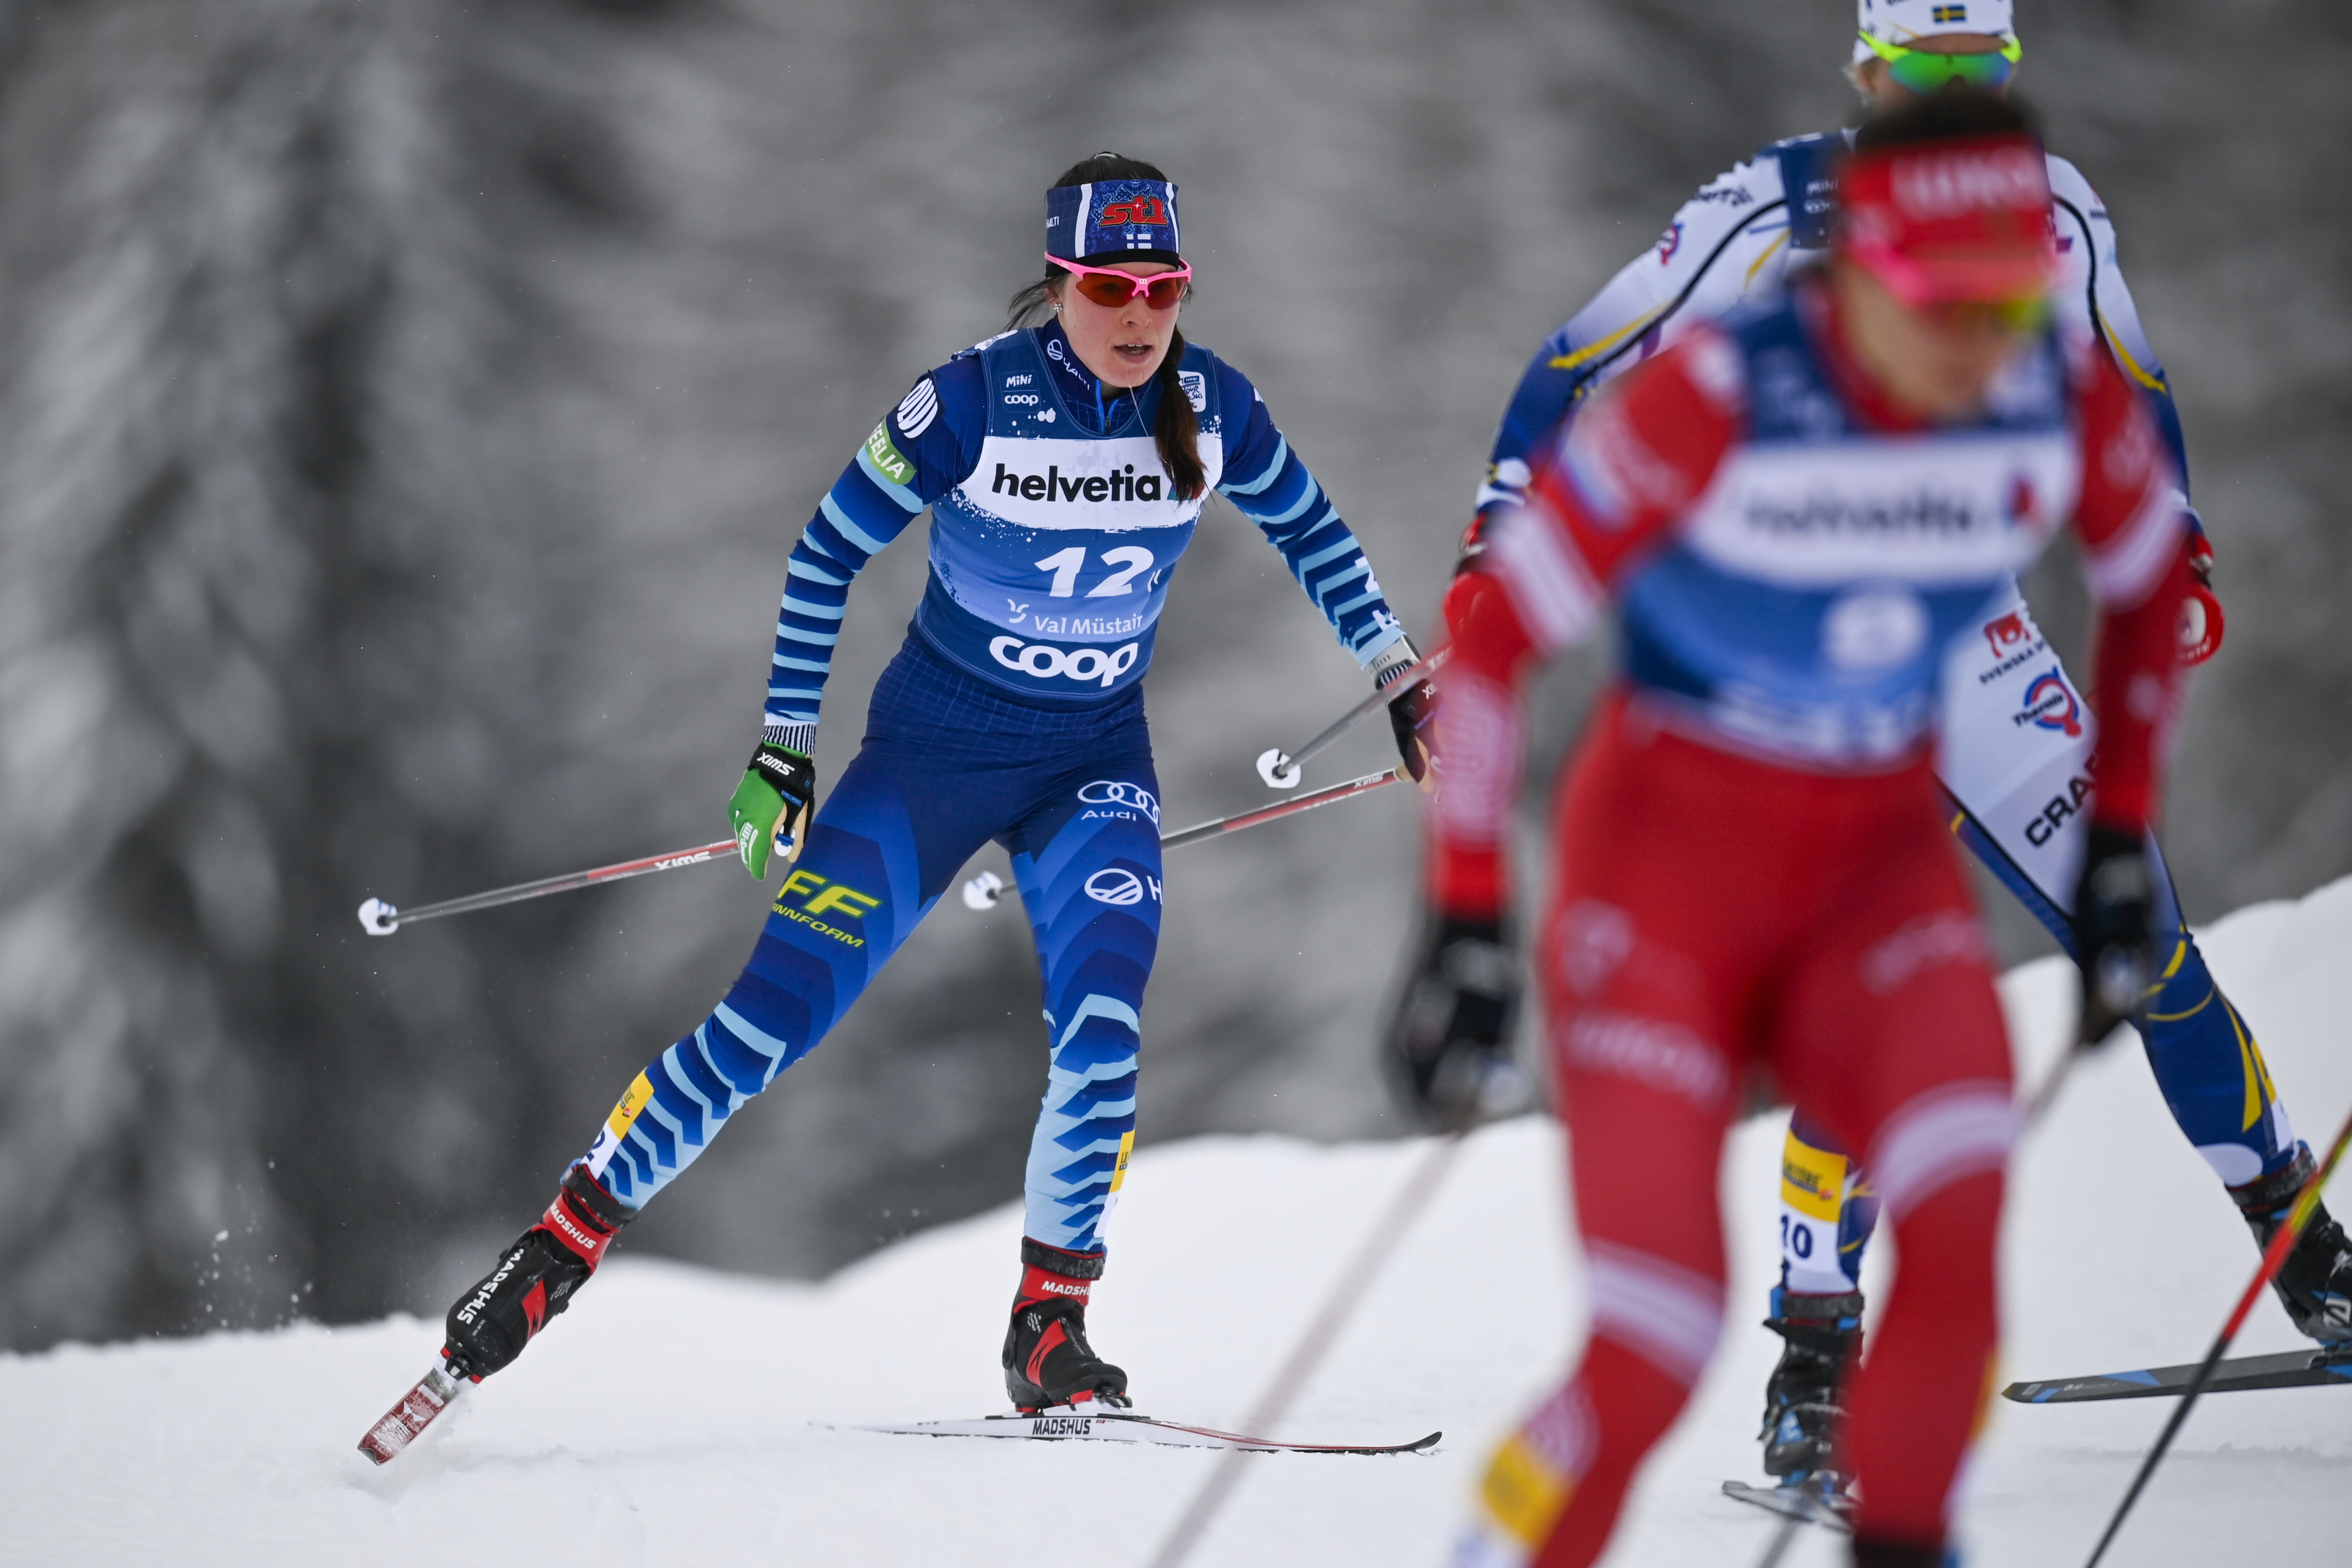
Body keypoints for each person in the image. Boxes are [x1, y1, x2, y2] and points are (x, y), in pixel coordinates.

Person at [1391, 0, 2350, 1490]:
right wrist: (1499, 535)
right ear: (1866, 73)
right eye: (1924, 75)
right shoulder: (1771, 206)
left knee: (2150, 935)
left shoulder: (2058, 210)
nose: (1954, 102)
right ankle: (1813, 1366)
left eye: (1983, 75)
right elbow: (1575, 356)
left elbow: (2129, 394)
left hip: (1971, 643)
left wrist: (2186, 554)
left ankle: (2310, 1253)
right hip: (1774, 654)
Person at [435, 153, 1434, 1413]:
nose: (1139, 316)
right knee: (768, 1024)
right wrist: (785, 744)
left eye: (1164, 288)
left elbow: (1316, 533)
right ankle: (558, 1246)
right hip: (929, 765)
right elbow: (824, 552)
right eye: (1110, 287)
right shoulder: (970, 400)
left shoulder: (1213, 403)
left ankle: (1049, 1325)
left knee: (1107, 1029)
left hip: (1092, 770)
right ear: (1060, 282)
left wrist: (1402, 677)